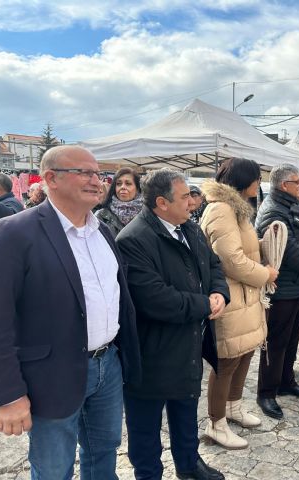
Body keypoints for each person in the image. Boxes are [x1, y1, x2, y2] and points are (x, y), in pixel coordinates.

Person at [0, 145, 140, 478]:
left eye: (98, 173)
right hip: (50, 374)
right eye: (84, 172)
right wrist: (9, 394)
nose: (97, 180)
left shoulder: (102, 231)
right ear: (50, 179)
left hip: (108, 366)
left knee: (103, 454)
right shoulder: (14, 234)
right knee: (53, 468)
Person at [116, 168, 229, 480]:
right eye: (185, 197)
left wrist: (219, 292)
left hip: (188, 342)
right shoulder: (134, 240)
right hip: (151, 352)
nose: (193, 202)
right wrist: (204, 304)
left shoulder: (189, 228)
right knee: (145, 426)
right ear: (162, 203)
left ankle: (189, 465)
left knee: (185, 410)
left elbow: (213, 264)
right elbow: (155, 299)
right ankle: (149, 473)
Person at [200, 158, 279, 449]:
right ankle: (215, 423)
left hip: (246, 297)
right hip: (231, 297)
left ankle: (233, 407)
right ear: (246, 181)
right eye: (257, 178)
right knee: (226, 362)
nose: (259, 184)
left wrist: (266, 245)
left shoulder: (238, 210)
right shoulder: (221, 210)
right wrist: (265, 274)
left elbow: (245, 249)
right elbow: (230, 260)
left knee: (244, 353)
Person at [254, 163, 299, 420]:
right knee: (274, 343)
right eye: (298, 182)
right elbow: (288, 250)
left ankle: (286, 381)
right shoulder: (274, 210)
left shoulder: (290, 204)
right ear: (285, 185)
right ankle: (266, 392)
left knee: (291, 339)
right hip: (284, 288)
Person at [95, 167, 143, 238]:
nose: (123, 187)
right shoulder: (101, 215)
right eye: (118, 184)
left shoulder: (147, 214)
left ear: (137, 188)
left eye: (128, 183)